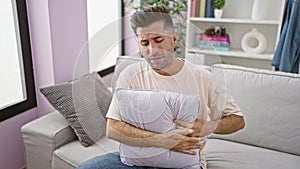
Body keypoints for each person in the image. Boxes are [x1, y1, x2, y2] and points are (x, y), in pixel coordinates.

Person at [76, 5, 245, 169]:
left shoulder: (203, 77)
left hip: (183, 164)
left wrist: (206, 127)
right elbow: (112, 129)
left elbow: (237, 120)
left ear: (174, 38)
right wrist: (163, 140)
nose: (152, 50)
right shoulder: (130, 75)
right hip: (136, 161)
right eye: (144, 42)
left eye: (158, 40)